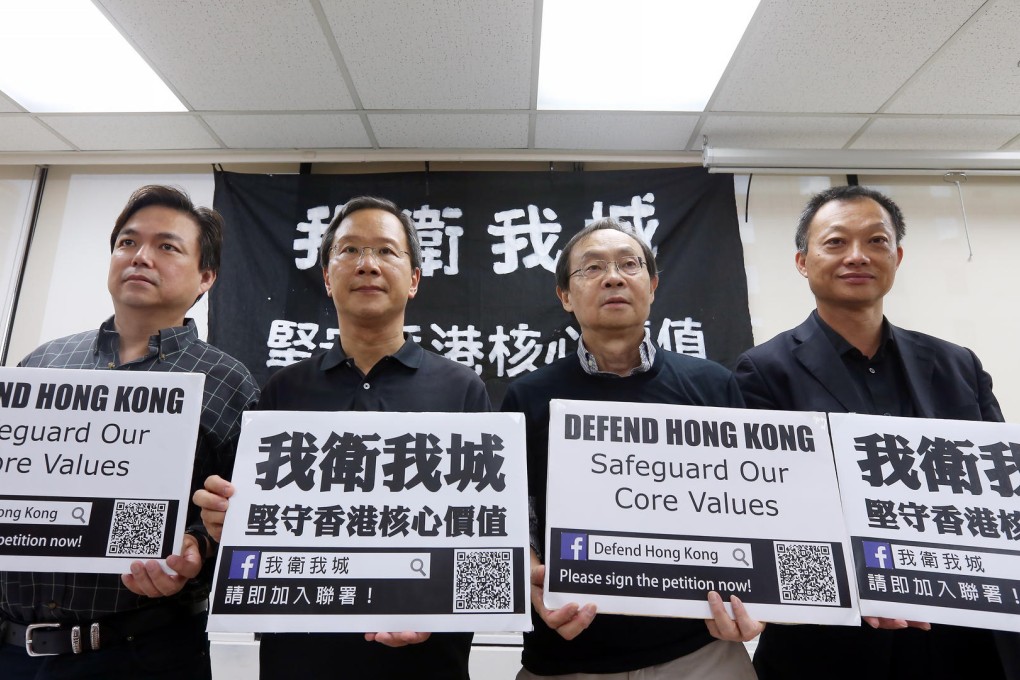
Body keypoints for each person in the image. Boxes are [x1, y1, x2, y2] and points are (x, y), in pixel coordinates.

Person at [195, 196, 490, 680]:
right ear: (328, 278)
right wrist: (226, 522)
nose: (368, 265)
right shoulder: (282, 392)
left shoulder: (461, 389)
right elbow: (245, 534)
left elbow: (488, 537)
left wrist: (440, 619)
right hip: (301, 662)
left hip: (425, 662)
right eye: (349, 250)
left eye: (386, 252)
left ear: (414, 279)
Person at [734, 184, 1020, 680]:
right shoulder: (762, 372)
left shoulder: (957, 364)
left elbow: (1001, 489)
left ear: (898, 255)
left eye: (876, 241)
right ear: (802, 261)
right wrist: (856, 587)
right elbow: (765, 511)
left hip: (962, 628)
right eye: (836, 242)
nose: (858, 256)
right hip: (837, 639)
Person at [0, 185, 260, 679]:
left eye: (167, 246)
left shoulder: (228, 381)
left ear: (206, 277)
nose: (141, 257)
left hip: (145, 651)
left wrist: (196, 548)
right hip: (14, 649)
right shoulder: (45, 363)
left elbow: (242, 522)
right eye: (127, 242)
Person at [500, 218, 760, 679]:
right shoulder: (528, 396)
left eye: (629, 264)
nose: (614, 277)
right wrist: (531, 577)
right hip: (569, 654)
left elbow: (750, 510)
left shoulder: (713, 385)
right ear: (564, 295)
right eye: (592, 268)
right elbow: (512, 515)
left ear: (653, 285)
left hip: (697, 652)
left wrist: (757, 598)